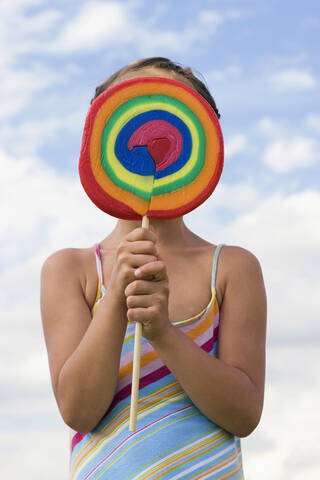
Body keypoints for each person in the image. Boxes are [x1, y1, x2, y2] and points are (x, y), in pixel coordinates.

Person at [41, 57, 267, 479]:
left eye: (170, 104)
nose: (152, 120)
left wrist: (163, 331)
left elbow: (244, 415)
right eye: (136, 102)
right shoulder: (72, 270)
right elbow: (78, 410)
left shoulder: (232, 268)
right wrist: (114, 303)